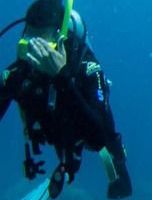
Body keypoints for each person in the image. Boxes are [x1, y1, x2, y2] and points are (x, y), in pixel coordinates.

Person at [0, 0, 132, 199]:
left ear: (59, 36)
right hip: (53, 130)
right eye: (30, 37)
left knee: (108, 142)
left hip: (83, 126)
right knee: (66, 158)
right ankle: (66, 167)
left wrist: (61, 77)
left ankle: (108, 169)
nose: (35, 50)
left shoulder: (86, 67)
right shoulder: (21, 72)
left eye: (42, 40)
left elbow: (97, 139)